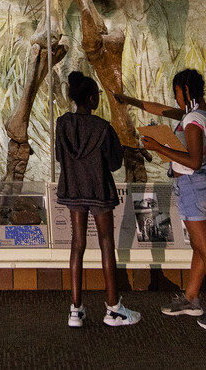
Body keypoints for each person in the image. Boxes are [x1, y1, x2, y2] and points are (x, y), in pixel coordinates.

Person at [114, 68, 206, 336]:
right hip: (202, 184)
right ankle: (191, 298)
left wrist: (158, 147)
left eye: (177, 93)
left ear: (186, 90)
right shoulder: (201, 114)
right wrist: (130, 101)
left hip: (194, 186)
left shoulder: (192, 120)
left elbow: (193, 161)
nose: (176, 98)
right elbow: (162, 111)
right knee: (200, 246)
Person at [56, 71, 140, 328]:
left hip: (73, 189)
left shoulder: (62, 123)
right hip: (99, 191)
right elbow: (114, 164)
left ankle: (75, 309)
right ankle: (113, 308)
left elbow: (60, 157)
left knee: (77, 243)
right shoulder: (104, 128)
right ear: (93, 99)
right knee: (106, 243)